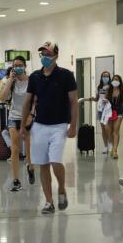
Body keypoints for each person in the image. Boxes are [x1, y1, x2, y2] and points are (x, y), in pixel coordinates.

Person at [21, 41, 77, 214]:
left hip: (59, 125)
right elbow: (27, 101)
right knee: (43, 164)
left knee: (55, 161)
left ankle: (61, 187)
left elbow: (73, 102)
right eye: (42, 54)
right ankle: (48, 202)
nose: (45, 57)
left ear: (56, 56)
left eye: (48, 54)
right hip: (39, 126)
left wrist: (73, 125)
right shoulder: (35, 77)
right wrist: (24, 125)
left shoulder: (66, 75)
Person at [1, 56, 35, 191]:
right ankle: (16, 180)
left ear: (25, 66)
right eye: (15, 65)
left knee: (28, 149)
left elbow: (35, 100)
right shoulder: (10, 81)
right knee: (15, 149)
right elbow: (2, 97)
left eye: (20, 65)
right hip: (13, 117)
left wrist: (31, 115)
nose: (18, 67)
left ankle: (30, 166)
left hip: (27, 118)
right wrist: (10, 79)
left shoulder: (32, 80)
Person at [105, 75, 123, 159]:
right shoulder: (108, 90)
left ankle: (115, 150)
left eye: (117, 79)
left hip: (119, 112)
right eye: (113, 79)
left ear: (120, 81)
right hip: (109, 111)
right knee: (108, 130)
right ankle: (112, 146)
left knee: (116, 131)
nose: (115, 81)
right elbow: (104, 100)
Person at [91, 71, 112, 154]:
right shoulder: (99, 86)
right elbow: (97, 98)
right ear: (101, 77)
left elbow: (111, 97)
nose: (105, 78)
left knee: (107, 127)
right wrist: (92, 98)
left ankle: (110, 144)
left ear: (109, 77)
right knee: (103, 128)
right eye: (104, 76)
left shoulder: (111, 86)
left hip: (107, 108)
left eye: (107, 76)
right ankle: (105, 146)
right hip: (100, 109)